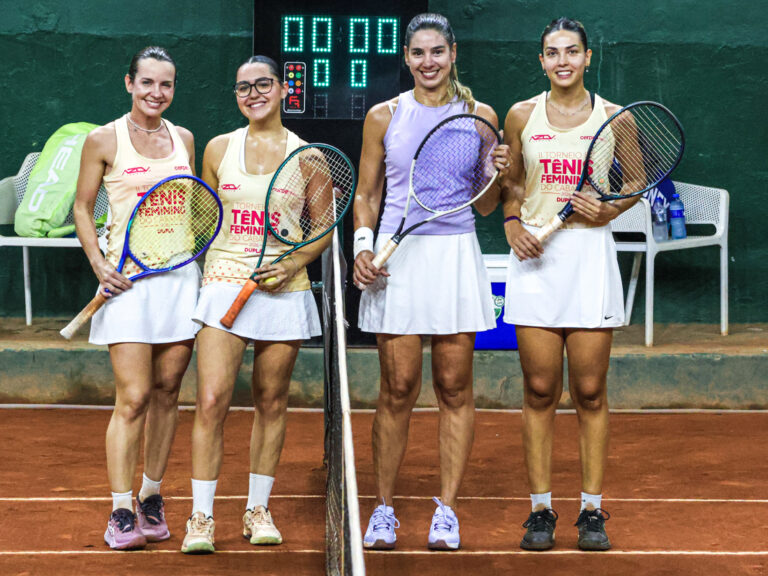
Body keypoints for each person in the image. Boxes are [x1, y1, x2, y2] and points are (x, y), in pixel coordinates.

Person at [353, 13, 509, 551]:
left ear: (453, 53)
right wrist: (363, 246)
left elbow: (485, 204)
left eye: (437, 51)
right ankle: (384, 509)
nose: (428, 62)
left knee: (453, 386)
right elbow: (367, 194)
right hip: (397, 258)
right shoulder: (384, 115)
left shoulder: (481, 117)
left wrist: (499, 171)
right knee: (397, 387)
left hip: (454, 255)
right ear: (406, 57)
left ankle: (446, 511)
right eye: (418, 53)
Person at [500, 17, 636, 551]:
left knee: (590, 391)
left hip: (589, 259)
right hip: (535, 260)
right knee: (539, 390)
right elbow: (511, 184)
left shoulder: (615, 117)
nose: (563, 61)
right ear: (541, 61)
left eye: (572, 51)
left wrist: (608, 211)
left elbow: (635, 183)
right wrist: (512, 224)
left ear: (587, 57)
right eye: (553, 52)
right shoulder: (521, 115)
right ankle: (540, 511)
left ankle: (592, 510)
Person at [180, 55, 324, 554]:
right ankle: (201, 516)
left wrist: (291, 263)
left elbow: (322, 231)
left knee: (271, 401)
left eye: (263, 84)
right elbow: (204, 220)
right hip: (224, 283)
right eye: (244, 87)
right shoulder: (219, 149)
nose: (253, 94)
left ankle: (257, 509)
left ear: (283, 90)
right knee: (211, 401)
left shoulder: (309, 158)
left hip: (285, 288)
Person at [73, 46, 199, 550]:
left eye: (165, 84)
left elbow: (194, 208)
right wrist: (99, 264)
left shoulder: (184, 139)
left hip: (179, 279)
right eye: (147, 82)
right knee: (134, 397)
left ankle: (151, 497)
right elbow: (82, 207)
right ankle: (121, 510)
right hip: (126, 283)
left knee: (168, 392)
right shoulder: (103, 139)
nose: (156, 93)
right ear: (130, 83)